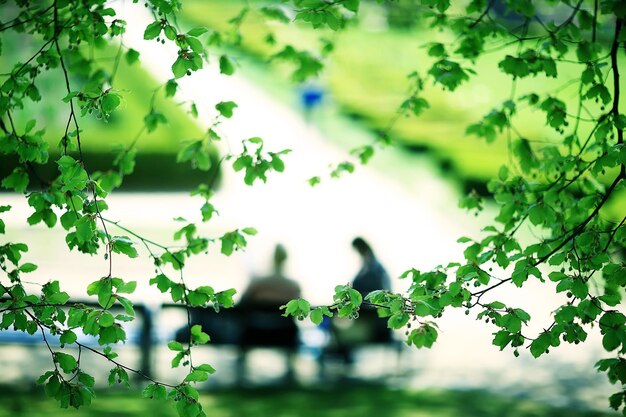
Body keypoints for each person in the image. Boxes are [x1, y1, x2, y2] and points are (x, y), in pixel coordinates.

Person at [237, 244, 301, 383]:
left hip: (255, 331)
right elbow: (299, 309)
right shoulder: (292, 285)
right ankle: (290, 370)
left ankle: (241, 370)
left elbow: (242, 303)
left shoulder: (259, 282)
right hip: (284, 333)